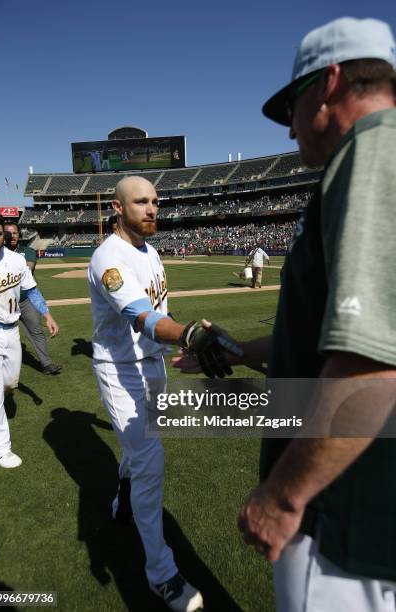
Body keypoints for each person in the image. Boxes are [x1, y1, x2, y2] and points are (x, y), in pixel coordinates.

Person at [173, 17, 396, 612]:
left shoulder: (372, 149)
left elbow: (370, 367)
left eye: (290, 107)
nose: (289, 127)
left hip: (348, 518)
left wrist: (286, 495)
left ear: (329, 83)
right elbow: (338, 334)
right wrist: (243, 350)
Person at [89, 175, 240, 611]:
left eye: (155, 201)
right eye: (141, 202)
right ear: (117, 208)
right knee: (151, 461)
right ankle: (161, 572)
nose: (153, 208)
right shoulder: (108, 259)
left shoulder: (151, 252)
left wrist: (177, 335)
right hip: (120, 370)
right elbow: (139, 315)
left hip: (151, 362)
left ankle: (122, 500)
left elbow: (161, 310)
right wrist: (189, 335)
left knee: (137, 450)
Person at [0, 213, 59, 468]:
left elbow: (31, 290)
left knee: (8, 384)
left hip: (11, 331)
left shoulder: (17, 260)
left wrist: (47, 314)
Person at [4, 222, 61, 375]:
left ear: (19, 235)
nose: (12, 236)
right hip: (4, 303)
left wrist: (47, 315)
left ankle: (47, 364)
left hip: (25, 300)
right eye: (8, 233)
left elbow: (28, 268)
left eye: (15, 233)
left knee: (36, 332)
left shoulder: (27, 251)